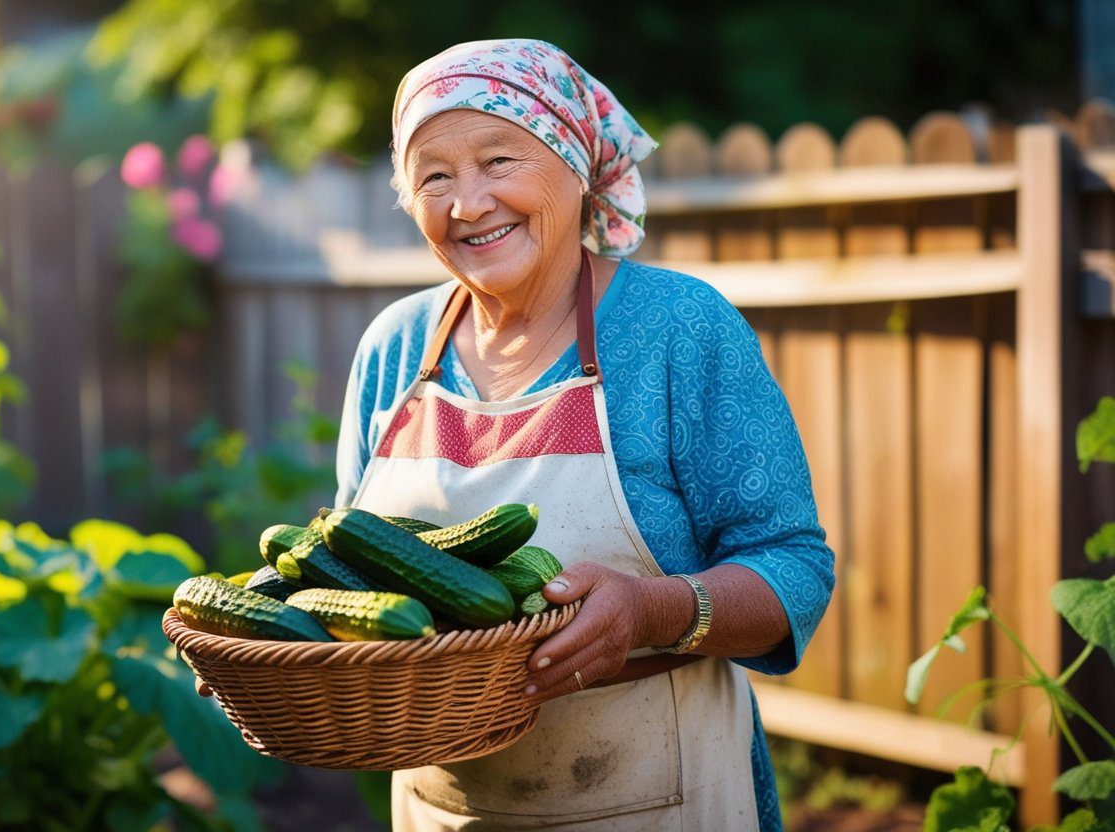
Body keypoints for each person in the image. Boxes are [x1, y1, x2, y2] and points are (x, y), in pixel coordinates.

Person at [332, 39, 836, 831]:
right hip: (443, 807)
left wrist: (651, 610)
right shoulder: (394, 346)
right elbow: (351, 564)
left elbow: (795, 569)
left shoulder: (677, 328)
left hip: (659, 796)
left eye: (500, 160)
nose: (467, 203)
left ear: (574, 162)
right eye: (433, 174)